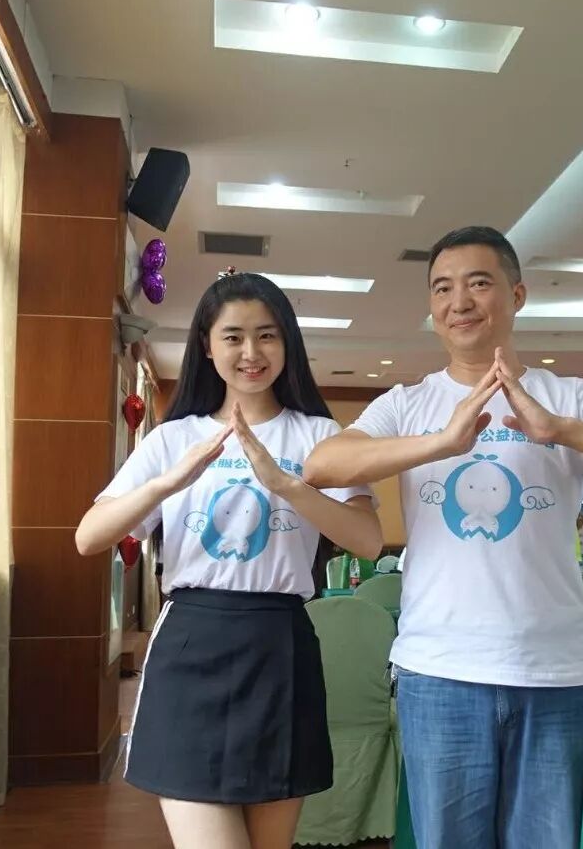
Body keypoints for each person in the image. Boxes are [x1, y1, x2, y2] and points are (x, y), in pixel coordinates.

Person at [303, 226, 583, 848]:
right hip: (438, 671)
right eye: (442, 288)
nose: (458, 301)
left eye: (478, 283)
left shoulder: (568, 398)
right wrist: (442, 443)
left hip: (550, 672)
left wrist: (563, 430)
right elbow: (323, 465)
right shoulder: (409, 404)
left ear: (517, 295)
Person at [75, 273, 381, 849]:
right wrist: (166, 483)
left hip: (280, 647)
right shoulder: (174, 439)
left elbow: (367, 540)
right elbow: (89, 537)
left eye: (267, 335)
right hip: (192, 642)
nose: (251, 352)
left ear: (287, 343)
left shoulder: (319, 436)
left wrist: (286, 484)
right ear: (207, 346)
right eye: (233, 337)